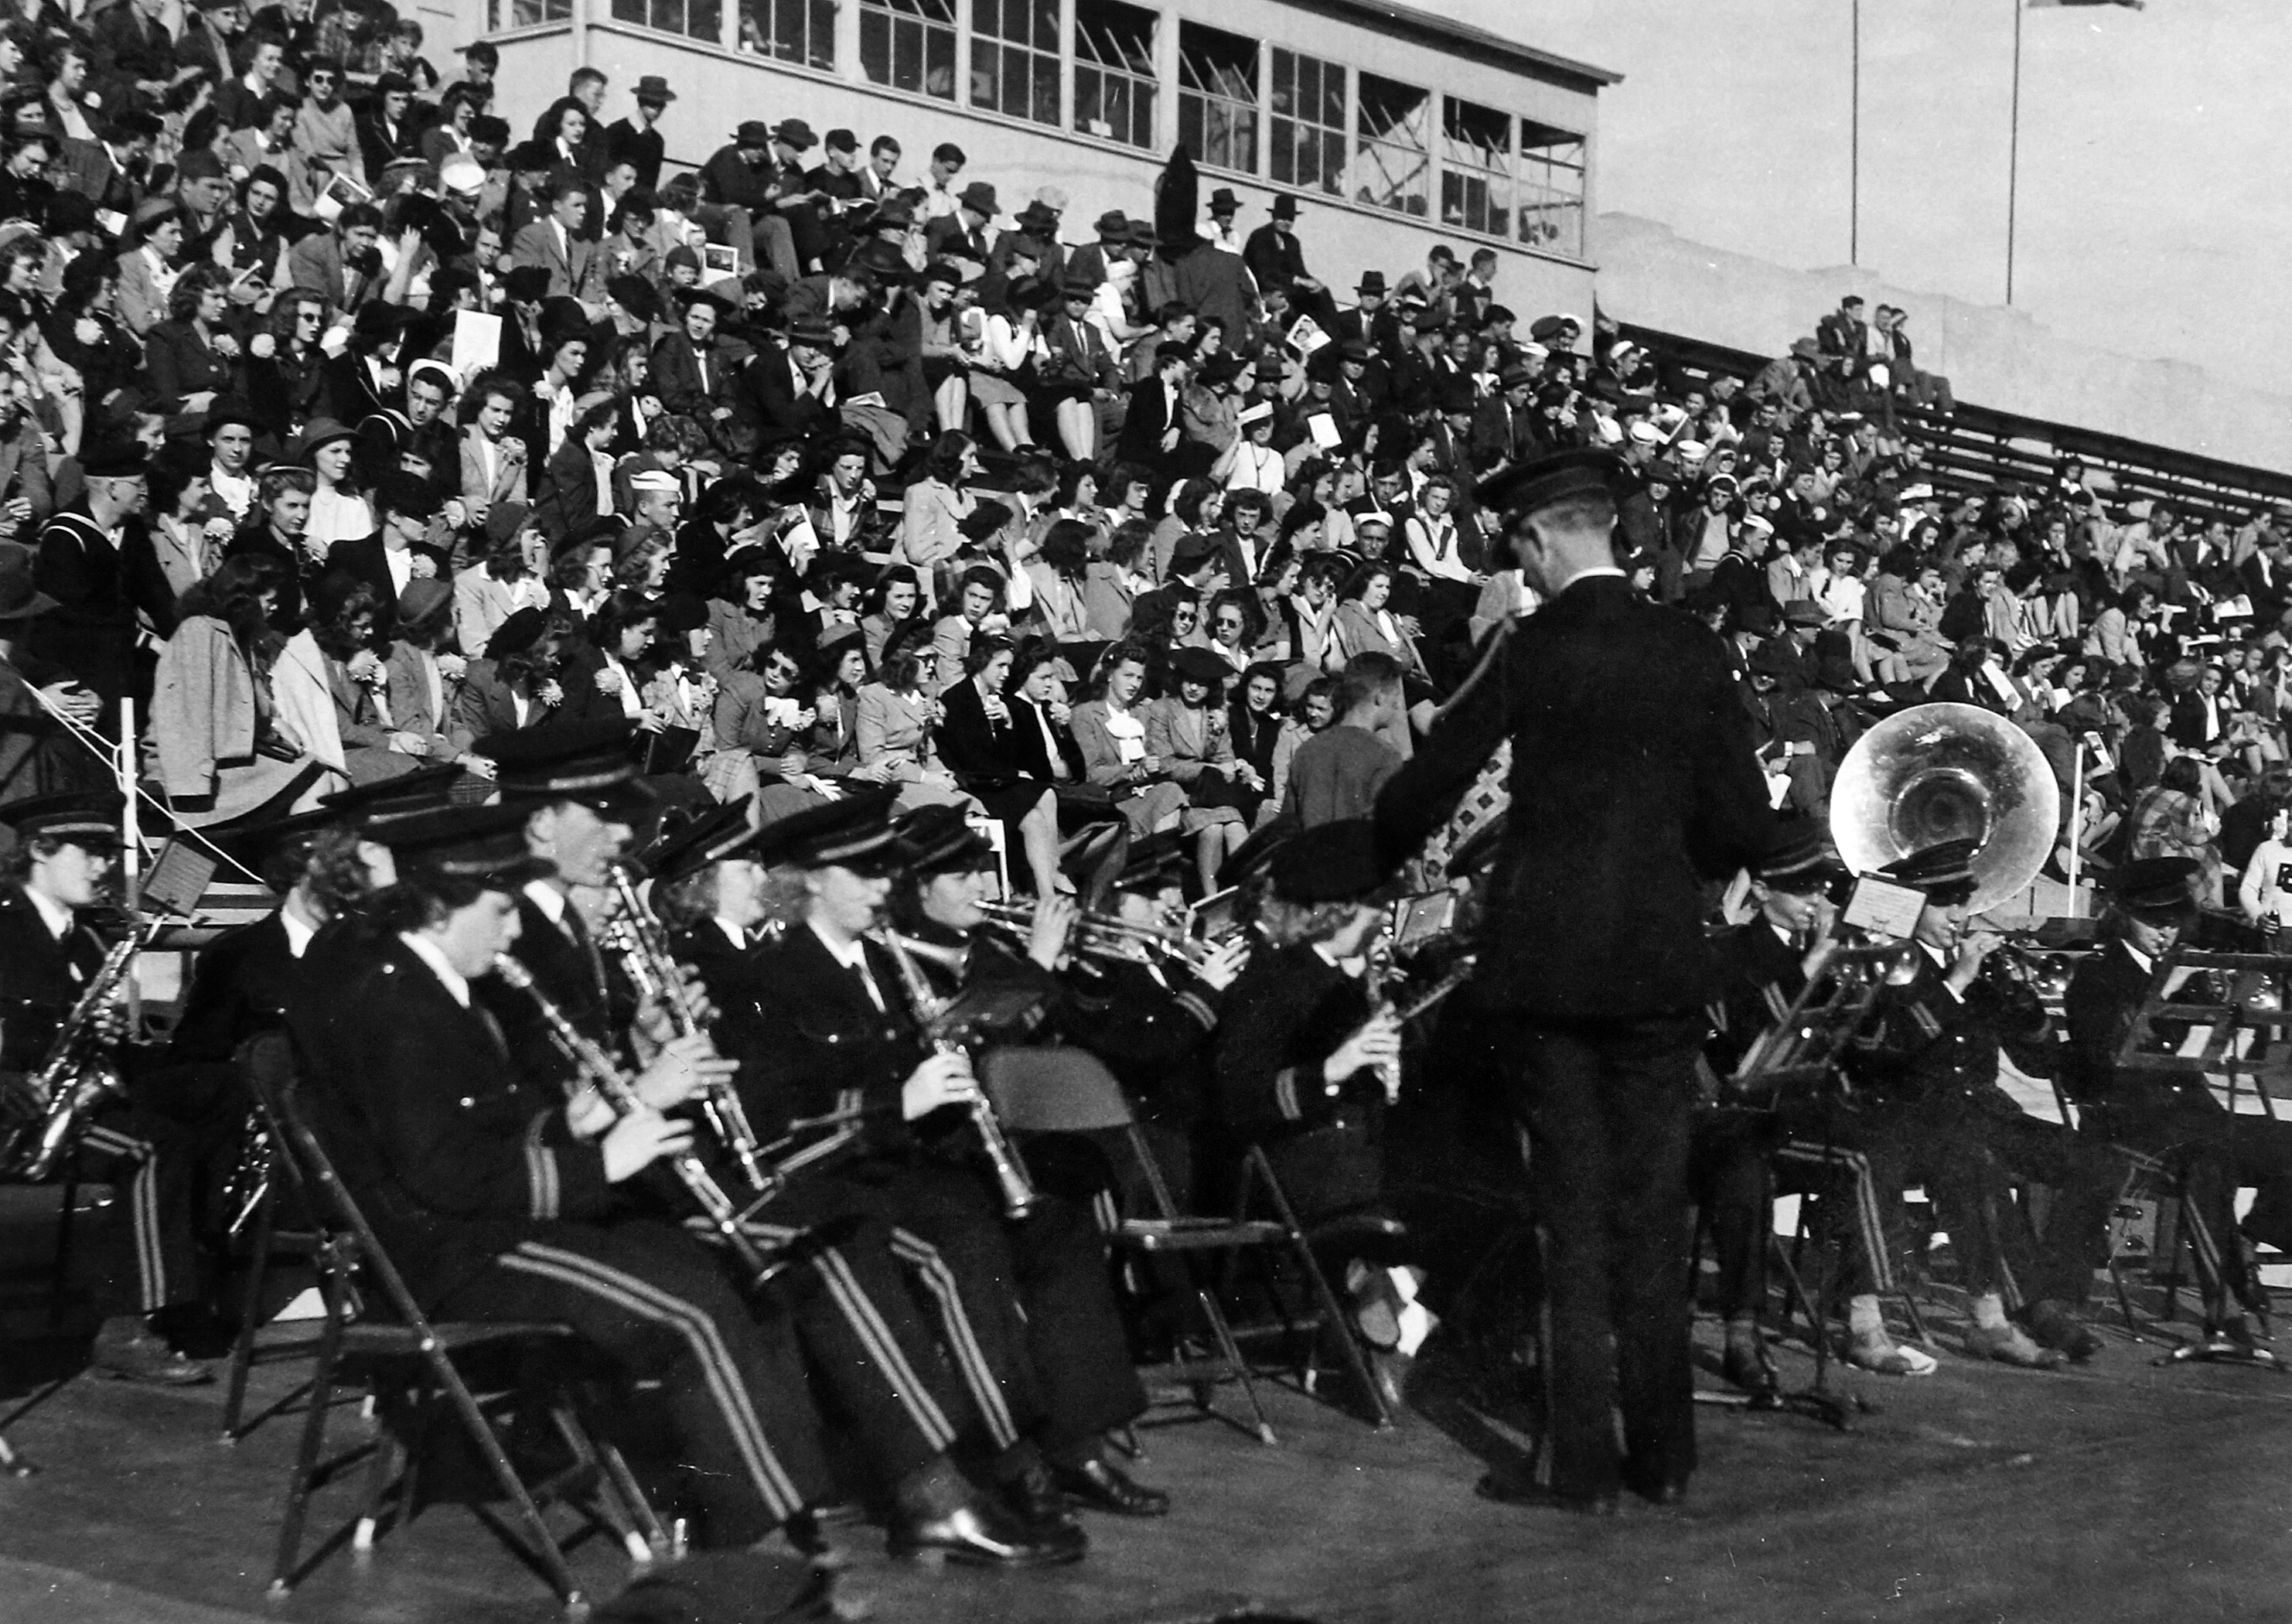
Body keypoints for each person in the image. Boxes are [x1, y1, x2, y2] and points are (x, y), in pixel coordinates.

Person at [1374, 449, 1772, 1513]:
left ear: (1542, 536)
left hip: (1547, 971)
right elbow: (1740, 822)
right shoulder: (1691, 645)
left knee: (1570, 1215)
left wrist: (1373, 847)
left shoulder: (1529, 645)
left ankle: (1579, 1465)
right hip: (1659, 970)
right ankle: (1667, 1459)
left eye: (1519, 551)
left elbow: (1431, 780)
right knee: (1652, 1211)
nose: (1522, 571)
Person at [0, 793, 222, 1383]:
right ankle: (128, 1329)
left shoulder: (88, 941)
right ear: (39, 850)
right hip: (11, 1115)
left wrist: (111, 1038)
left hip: (55, 1110)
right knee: (151, 1148)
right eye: (90, 852)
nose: (103, 867)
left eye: (108, 853)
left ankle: (173, 1304)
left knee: (188, 1119)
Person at [2064, 855, 2292, 1345]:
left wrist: (2229, 1016)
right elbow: (2105, 1058)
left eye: (2173, 921)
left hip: (2193, 1112)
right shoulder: (2098, 974)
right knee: (2206, 1161)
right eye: (2153, 921)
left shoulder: (2189, 968)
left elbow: (2213, 1049)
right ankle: (2224, 1313)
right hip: (2131, 1121)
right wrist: (2165, 988)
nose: (2165, 932)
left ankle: (2248, 1241)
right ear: (2125, 914)